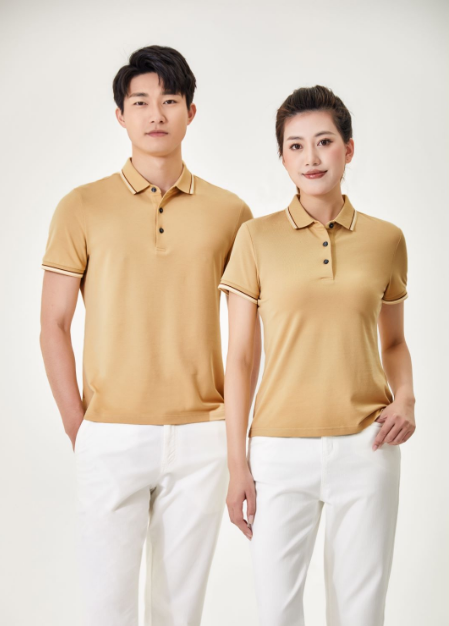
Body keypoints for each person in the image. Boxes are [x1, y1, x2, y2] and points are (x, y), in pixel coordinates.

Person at [39, 44, 261, 626]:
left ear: (191, 111)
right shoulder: (81, 207)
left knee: (179, 613)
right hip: (109, 432)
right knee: (105, 609)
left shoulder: (231, 213)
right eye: (140, 102)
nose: (155, 114)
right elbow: (53, 323)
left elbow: (247, 339)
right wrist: (79, 425)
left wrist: (236, 441)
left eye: (169, 100)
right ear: (120, 115)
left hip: (202, 435)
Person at [219, 85, 416, 626]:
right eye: (296, 145)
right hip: (278, 452)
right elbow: (240, 359)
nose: (311, 157)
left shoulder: (386, 239)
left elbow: (394, 342)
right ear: (283, 158)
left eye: (324, 141)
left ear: (348, 149)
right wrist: (237, 464)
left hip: (368, 447)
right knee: (277, 612)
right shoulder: (254, 238)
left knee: (361, 612)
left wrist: (406, 399)